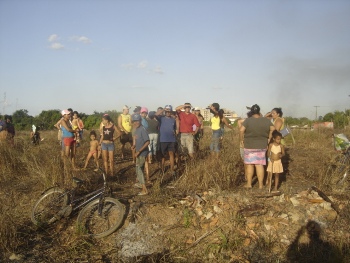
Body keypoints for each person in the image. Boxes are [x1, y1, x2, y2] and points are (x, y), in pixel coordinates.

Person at [239, 104, 275, 190]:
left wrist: (241, 140)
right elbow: (273, 129)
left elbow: (241, 130)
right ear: (259, 111)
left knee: (250, 165)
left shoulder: (248, 121)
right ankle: (260, 185)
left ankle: (249, 184)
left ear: (251, 111)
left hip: (249, 145)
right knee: (259, 165)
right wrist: (269, 137)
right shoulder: (265, 120)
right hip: (262, 145)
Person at [156, 105, 177, 175]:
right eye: (166, 111)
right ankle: (162, 169)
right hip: (163, 139)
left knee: (171, 154)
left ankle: (172, 169)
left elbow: (175, 128)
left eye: (169, 111)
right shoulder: (161, 118)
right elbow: (156, 114)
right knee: (163, 155)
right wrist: (163, 109)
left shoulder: (173, 119)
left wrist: (175, 131)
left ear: (171, 112)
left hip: (172, 139)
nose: (168, 113)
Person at [131, 114, 149, 196]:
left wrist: (139, 151)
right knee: (138, 168)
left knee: (139, 169)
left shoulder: (142, 129)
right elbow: (138, 141)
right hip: (138, 152)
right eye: (134, 121)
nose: (136, 123)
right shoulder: (136, 130)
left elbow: (147, 142)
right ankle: (141, 184)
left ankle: (144, 189)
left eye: (137, 121)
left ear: (140, 121)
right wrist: (134, 146)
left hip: (142, 153)